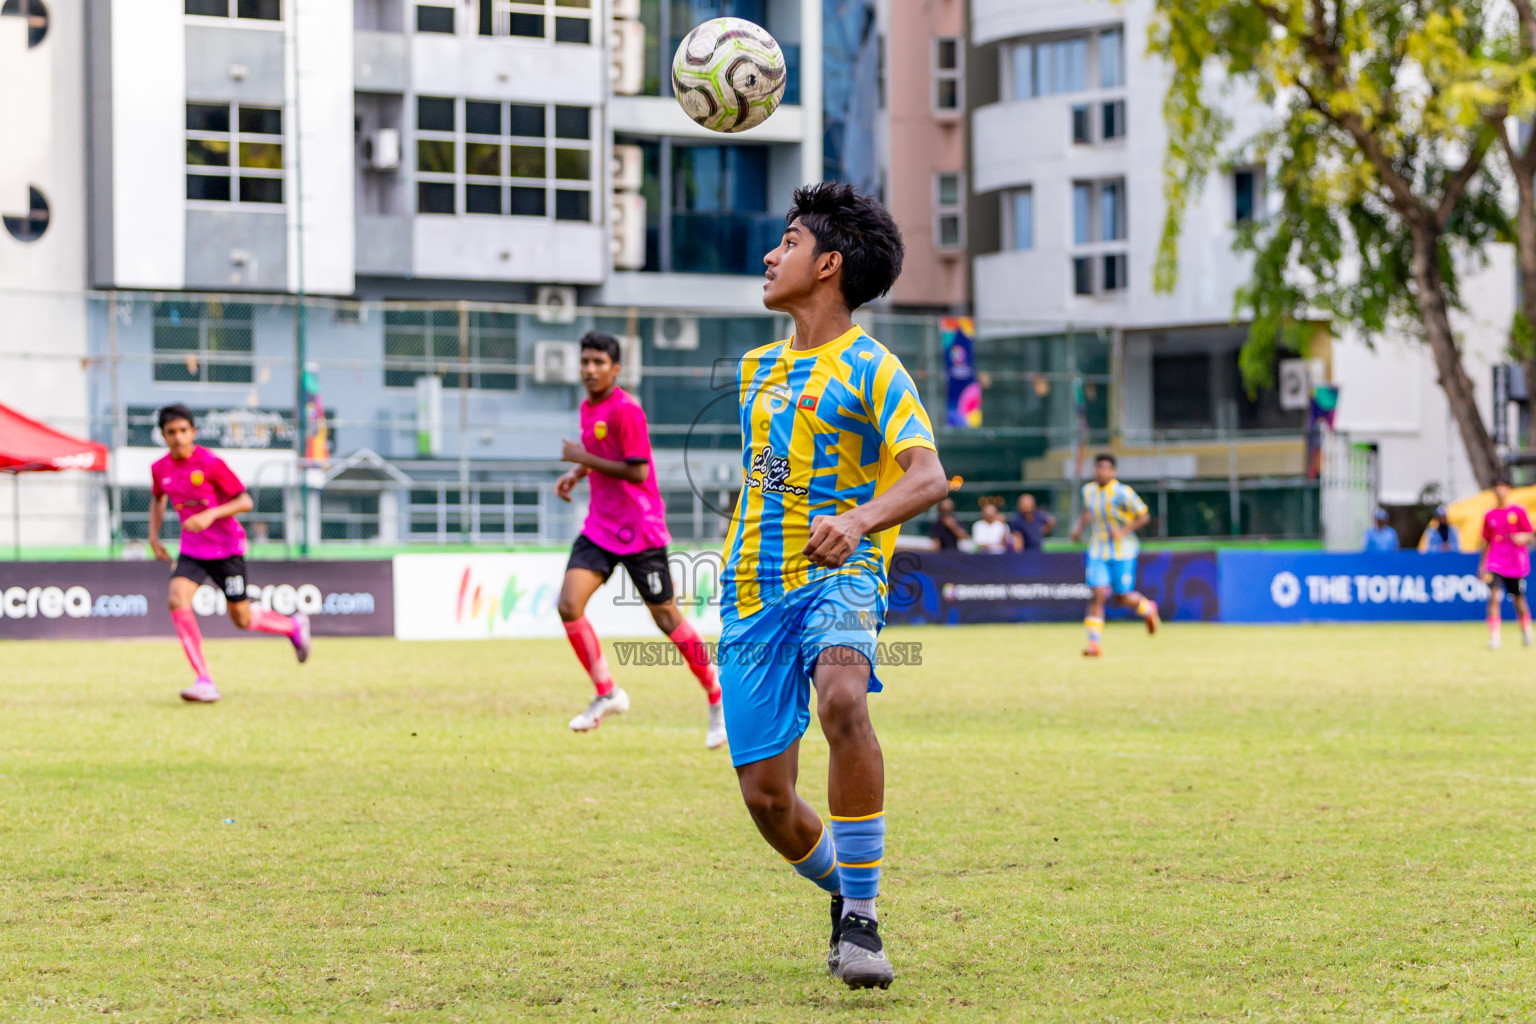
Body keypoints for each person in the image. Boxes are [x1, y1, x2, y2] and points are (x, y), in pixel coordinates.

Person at [719, 182, 947, 990]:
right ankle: (843, 892)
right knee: (768, 802)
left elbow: (928, 475)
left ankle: (863, 918)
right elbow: (771, 479)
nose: (771, 255)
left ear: (828, 265)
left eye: (786, 241)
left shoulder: (873, 367)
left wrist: (857, 521)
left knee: (844, 697)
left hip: (843, 576)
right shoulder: (758, 371)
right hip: (751, 594)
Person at [553, 331, 726, 748]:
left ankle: (719, 699)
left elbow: (636, 472)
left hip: (639, 531)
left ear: (616, 368)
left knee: (667, 620)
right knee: (568, 605)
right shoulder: (587, 407)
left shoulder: (627, 410)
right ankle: (607, 693)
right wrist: (576, 475)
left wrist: (581, 459)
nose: (590, 369)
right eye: (585, 362)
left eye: (599, 362)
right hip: (599, 528)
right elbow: (601, 453)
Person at [148, 404, 310, 703]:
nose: (178, 437)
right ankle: (204, 679)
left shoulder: (210, 463)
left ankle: (291, 625)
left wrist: (211, 515)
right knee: (176, 598)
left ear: (193, 432)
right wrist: (153, 536)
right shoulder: (160, 469)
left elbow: (245, 501)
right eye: (171, 432)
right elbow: (158, 499)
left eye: (183, 430)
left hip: (226, 549)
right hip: (192, 550)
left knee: (242, 619)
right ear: (163, 436)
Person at [1069, 453, 1159, 657]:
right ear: (1094, 470)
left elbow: (1144, 515)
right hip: (1098, 550)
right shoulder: (1089, 490)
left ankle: (1147, 609)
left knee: (1122, 597)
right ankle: (1093, 644)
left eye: (1107, 468)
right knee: (1097, 594)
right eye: (1099, 468)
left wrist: (1123, 531)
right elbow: (1088, 512)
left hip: (1123, 551)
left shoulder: (1122, 492)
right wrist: (1078, 529)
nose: (1102, 472)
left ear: (1113, 471)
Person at [1478, 475, 1534, 651]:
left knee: (1518, 600)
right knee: (1494, 596)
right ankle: (1495, 638)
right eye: (1497, 487)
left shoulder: (1518, 512)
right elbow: (1486, 540)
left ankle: (1526, 629)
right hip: (1495, 561)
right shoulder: (1489, 515)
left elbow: (1531, 533)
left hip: (1515, 563)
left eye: (1503, 487)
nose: (1500, 490)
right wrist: (1482, 565)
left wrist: (1523, 537)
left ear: (1508, 489)